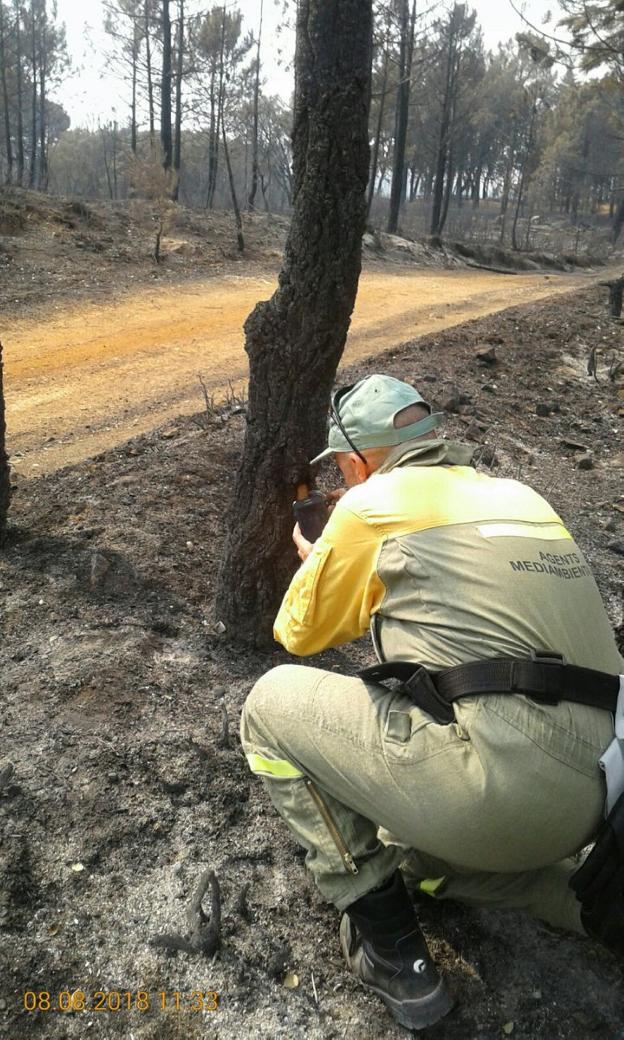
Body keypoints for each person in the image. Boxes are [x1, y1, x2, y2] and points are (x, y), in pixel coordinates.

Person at [240, 374, 624, 1031]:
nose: (341, 478)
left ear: (358, 460)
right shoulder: (521, 495)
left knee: (270, 706)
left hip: (498, 794)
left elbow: (299, 634)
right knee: (412, 854)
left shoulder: (375, 503)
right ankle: (589, 903)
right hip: (602, 798)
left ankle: (393, 956)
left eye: (339, 467)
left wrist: (320, 558)